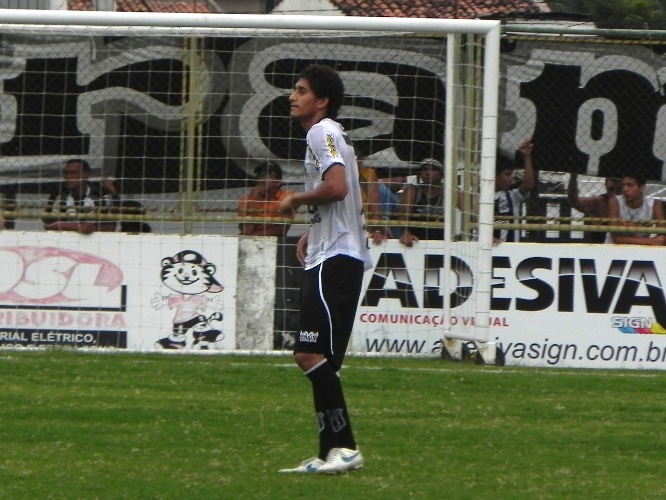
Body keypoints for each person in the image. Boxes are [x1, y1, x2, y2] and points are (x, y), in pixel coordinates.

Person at [277, 63, 372, 475]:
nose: (292, 96)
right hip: (330, 250)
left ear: (322, 100)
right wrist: (312, 229)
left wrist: (296, 200)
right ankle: (330, 452)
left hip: (337, 257)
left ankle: (346, 447)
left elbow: (337, 188)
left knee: (308, 352)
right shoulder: (330, 136)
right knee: (319, 358)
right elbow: (340, 197)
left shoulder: (322, 132)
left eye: (301, 90)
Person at [43, 158, 118, 234]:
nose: (68, 176)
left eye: (73, 173)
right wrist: (78, 227)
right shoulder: (59, 193)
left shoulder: (100, 194)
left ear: (86, 174)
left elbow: (111, 226)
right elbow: (48, 224)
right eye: (65, 173)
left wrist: (91, 228)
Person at [398, 158, 447, 247]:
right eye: (424, 170)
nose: (428, 173)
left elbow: (469, 211)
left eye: (433, 169)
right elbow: (402, 215)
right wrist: (405, 233)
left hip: (442, 242)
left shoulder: (449, 192)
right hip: (416, 241)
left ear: (441, 174)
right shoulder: (413, 191)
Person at [606, 173, 665, 245]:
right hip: (614, 248)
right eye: (623, 185)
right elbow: (616, 238)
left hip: (641, 249)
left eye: (630, 185)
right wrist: (650, 241)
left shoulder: (654, 204)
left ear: (642, 187)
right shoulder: (615, 201)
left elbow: (662, 235)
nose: (625, 189)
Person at [237, 161, 294, 237]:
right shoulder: (246, 199)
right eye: (261, 176)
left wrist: (254, 236)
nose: (262, 180)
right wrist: (252, 201)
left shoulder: (286, 197)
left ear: (278, 182)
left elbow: (281, 229)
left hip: (275, 241)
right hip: (250, 242)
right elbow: (247, 230)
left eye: (268, 176)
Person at [494, 139, 535, 243]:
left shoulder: (512, 196)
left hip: (510, 249)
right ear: (495, 176)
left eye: (511, 174)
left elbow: (528, 184)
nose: (511, 178)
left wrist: (527, 157)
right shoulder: (482, 197)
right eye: (507, 174)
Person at [567, 172, 622, 244]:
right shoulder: (599, 202)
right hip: (599, 247)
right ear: (605, 186)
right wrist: (573, 178)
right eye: (611, 189)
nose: (614, 194)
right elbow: (574, 201)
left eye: (618, 190)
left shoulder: (628, 202)